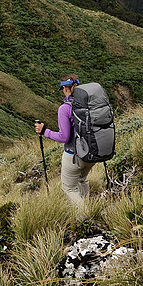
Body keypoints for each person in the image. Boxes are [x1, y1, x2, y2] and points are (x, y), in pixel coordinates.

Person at [34, 73, 94, 207]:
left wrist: (45, 132)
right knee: (82, 180)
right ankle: (89, 208)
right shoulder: (89, 104)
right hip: (91, 152)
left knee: (69, 188)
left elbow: (64, 137)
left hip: (73, 155)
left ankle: (85, 216)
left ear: (65, 89)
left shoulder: (64, 108)